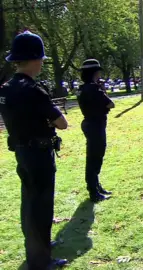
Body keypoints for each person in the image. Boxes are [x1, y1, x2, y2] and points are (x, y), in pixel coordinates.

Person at [0, 31, 68, 269]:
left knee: (29, 203)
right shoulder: (33, 90)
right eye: (41, 58)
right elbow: (62, 122)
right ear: (35, 59)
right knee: (41, 206)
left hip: (21, 152)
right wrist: (47, 121)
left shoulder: (6, 89)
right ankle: (40, 261)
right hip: (39, 154)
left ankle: (37, 248)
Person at [77, 59, 115, 203]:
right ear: (95, 72)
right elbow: (111, 104)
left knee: (93, 157)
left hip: (89, 123)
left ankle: (96, 186)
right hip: (96, 124)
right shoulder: (94, 88)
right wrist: (103, 91)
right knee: (95, 158)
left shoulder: (82, 88)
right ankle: (94, 190)